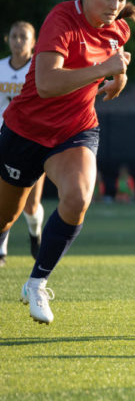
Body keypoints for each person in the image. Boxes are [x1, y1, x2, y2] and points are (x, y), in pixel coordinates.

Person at [0, 0, 135, 323]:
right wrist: (103, 69)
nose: (115, 6)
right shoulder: (61, 18)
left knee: (77, 198)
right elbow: (45, 84)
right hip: (25, 130)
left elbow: (115, 57)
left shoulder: (119, 28)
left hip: (75, 129)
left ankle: (36, 283)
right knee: (5, 217)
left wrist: (117, 78)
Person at [0, 22, 46, 267]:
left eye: (23, 37)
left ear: (33, 42)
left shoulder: (41, 68)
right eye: (14, 36)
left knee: (30, 205)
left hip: (32, 140)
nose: (18, 41)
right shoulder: (0, 69)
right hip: (4, 138)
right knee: (3, 201)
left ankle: (34, 234)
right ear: (8, 39)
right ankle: (2, 251)